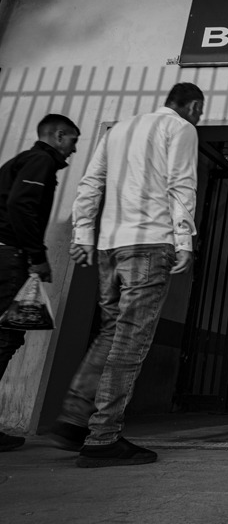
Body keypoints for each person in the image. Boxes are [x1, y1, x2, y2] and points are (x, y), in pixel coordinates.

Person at [47, 83, 203, 467]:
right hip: (150, 242)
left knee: (112, 332)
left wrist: (83, 234)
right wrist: (184, 239)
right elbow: (181, 185)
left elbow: (91, 183)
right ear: (193, 106)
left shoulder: (119, 129)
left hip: (110, 247)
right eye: (199, 111)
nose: (199, 116)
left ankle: (74, 419)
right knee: (131, 341)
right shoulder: (181, 128)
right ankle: (103, 437)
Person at [0, 115, 80, 452]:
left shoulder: (25, 160)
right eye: (72, 140)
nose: (74, 149)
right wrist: (36, 255)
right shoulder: (40, 161)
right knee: (5, 337)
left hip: (7, 253)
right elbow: (21, 205)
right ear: (58, 135)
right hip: (10, 256)